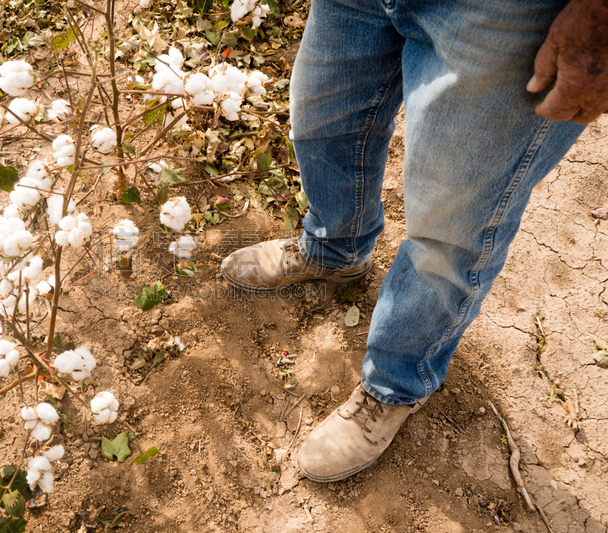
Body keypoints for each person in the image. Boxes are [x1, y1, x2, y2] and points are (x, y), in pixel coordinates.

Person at [221, 0, 608, 482]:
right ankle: (334, 250)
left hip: (508, 16)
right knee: (323, 121)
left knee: (453, 222)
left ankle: (394, 385)